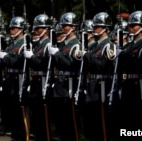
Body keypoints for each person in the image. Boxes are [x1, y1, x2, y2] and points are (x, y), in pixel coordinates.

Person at [47, 12, 82, 141]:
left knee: (69, 123)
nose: (63, 27)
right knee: (61, 123)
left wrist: (57, 54)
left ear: (73, 27)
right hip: (60, 87)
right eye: (63, 25)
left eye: (66, 25)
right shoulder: (63, 45)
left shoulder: (76, 45)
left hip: (69, 87)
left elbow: (71, 65)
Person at [82, 12, 117, 141]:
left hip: (102, 87)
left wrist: (87, 55)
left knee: (101, 122)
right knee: (92, 123)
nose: (94, 29)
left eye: (98, 26)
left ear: (105, 29)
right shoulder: (95, 46)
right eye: (94, 26)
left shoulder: (109, 46)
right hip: (92, 87)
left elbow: (102, 65)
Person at [0, 16, 29, 141]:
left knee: (21, 116)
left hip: (19, 82)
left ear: (21, 29)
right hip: (10, 83)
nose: (11, 30)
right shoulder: (12, 44)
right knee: (13, 115)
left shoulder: (24, 44)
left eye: (14, 28)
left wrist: (5, 58)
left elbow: (18, 62)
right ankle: (16, 137)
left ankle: (22, 137)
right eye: (10, 28)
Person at [23, 13, 52, 141]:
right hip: (34, 83)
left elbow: (45, 64)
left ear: (45, 29)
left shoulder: (48, 45)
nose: (35, 30)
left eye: (38, 28)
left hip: (43, 83)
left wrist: (32, 57)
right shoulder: (38, 45)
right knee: (35, 119)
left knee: (43, 119)